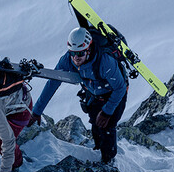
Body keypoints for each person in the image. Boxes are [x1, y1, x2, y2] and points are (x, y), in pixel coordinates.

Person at [31, 27, 127, 164]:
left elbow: (120, 88)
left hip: (115, 93)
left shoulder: (105, 62)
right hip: (94, 93)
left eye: (80, 53)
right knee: (96, 124)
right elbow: (53, 82)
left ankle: (108, 160)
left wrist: (107, 112)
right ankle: (98, 151)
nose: (76, 58)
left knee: (107, 127)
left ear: (88, 49)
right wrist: (37, 111)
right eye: (73, 53)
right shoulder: (67, 60)